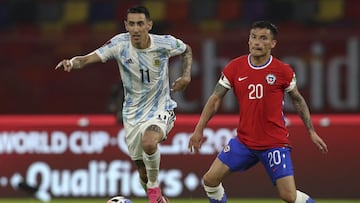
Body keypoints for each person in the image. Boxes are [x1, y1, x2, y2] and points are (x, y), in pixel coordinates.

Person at [56, 5, 192, 203]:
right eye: (132, 24)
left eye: (140, 24)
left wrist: (186, 76)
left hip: (161, 108)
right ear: (126, 25)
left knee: (149, 142)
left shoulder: (164, 43)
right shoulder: (119, 44)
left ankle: (154, 190)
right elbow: (86, 59)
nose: (136, 29)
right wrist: (72, 62)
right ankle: (159, 198)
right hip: (132, 114)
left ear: (149, 25)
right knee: (142, 173)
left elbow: (186, 49)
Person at [188, 21, 328, 203]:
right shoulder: (234, 67)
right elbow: (215, 98)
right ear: (248, 40)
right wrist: (199, 129)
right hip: (244, 141)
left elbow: (298, 100)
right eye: (253, 37)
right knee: (210, 180)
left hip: (274, 143)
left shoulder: (283, 71)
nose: (257, 42)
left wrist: (311, 131)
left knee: (288, 196)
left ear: (273, 43)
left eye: (263, 38)